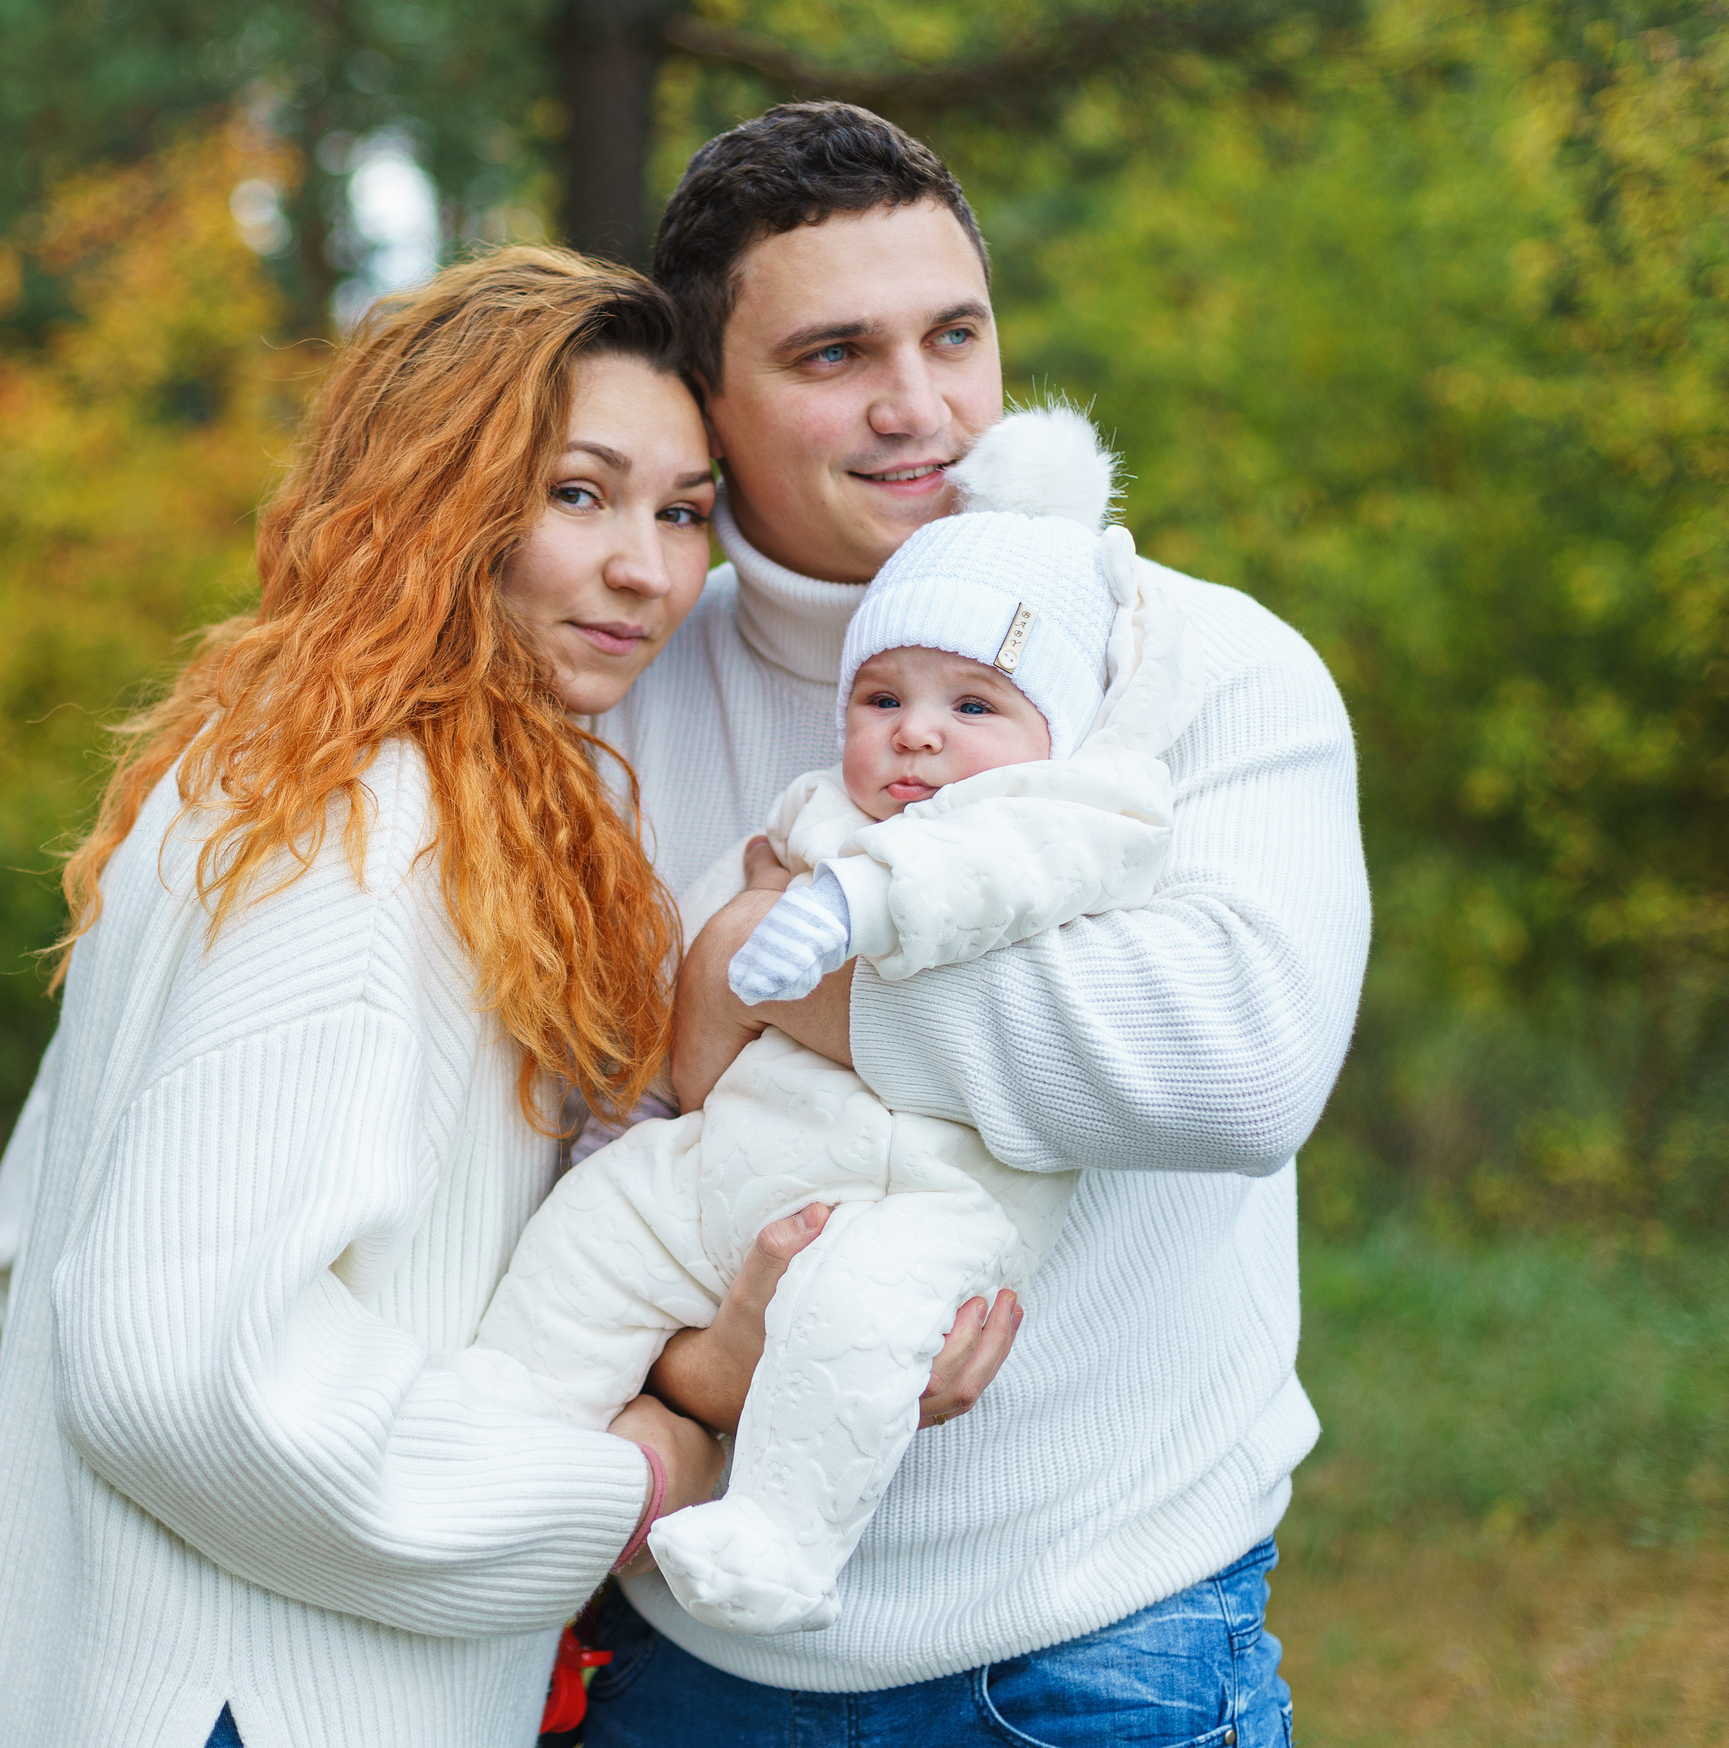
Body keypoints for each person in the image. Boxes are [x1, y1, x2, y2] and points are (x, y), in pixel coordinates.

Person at [0, 248, 1006, 1748]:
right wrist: (627, 1480)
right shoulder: (366, 833)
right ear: (436, 496)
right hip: (262, 1699)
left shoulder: (259, 773)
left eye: (684, 512)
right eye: (578, 493)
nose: (649, 568)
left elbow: (25, 1246)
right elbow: (182, 1374)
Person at [571, 103, 1371, 1746]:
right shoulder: (615, 691)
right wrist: (718, 1366)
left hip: (1101, 1637)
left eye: (955, 334)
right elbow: (556, 1149)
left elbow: (1230, 1062)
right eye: (833, 353)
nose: (918, 406)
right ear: (707, 406)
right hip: (691, 1656)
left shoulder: (1202, 665)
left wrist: (763, 976)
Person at [460, 405, 1206, 1640]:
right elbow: (713, 948)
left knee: (852, 1322)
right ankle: (509, 1411)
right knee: (599, 1217)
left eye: (975, 704)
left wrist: (859, 899)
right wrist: (706, 974)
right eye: (883, 694)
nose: (916, 730)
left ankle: (779, 1541)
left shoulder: (1070, 811)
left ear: (1050, 731)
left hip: (918, 1204)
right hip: (735, 1156)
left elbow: (992, 880)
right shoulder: (818, 808)